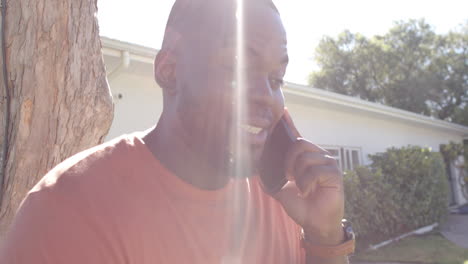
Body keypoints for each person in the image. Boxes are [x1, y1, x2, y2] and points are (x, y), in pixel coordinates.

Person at [0, 0, 354, 263]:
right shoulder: (68, 213)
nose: (267, 97)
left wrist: (324, 237)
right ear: (169, 70)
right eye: (238, 66)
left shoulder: (283, 199)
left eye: (276, 80)